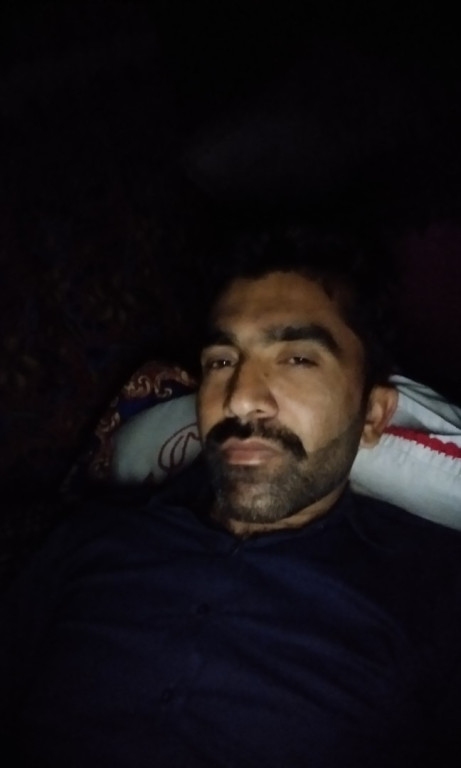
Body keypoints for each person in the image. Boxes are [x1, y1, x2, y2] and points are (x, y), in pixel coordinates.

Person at [1, 225, 460, 768]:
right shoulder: (92, 539)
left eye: (297, 359)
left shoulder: (430, 596)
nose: (240, 398)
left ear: (374, 415)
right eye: (221, 361)